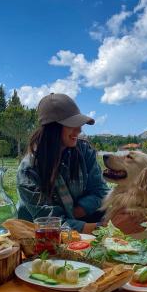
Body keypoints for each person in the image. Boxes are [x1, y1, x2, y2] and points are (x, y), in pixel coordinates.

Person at [16, 93, 109, 234]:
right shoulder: (28, 171)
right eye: (72, 124)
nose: (79, 130)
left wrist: (74, 212)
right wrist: (100, 229)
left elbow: (101, 191)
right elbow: (48, 222)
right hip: (38, 236)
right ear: (52, 128)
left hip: (80, 225)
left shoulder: (84, 151)